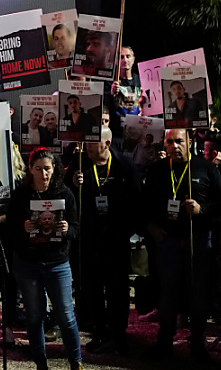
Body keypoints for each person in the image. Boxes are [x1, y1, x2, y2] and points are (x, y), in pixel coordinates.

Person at [142, 129, 221, 362]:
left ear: (189, 142)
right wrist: (150, 227)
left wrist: (202, 210)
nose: (174, 146)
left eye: (179, 141)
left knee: (198, 293)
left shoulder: (206, 168)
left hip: (198, 240)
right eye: (169, 142)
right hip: (167, 240)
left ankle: (197, 344)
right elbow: (144, 203)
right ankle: (164, 343)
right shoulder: (158, 170)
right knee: (167, 293)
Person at [7, 148, 81, 370]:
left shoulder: (65, 193)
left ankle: (76, 361)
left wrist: (67, 229)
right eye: (38, 169)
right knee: (34, 315)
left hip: (57, 262)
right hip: (28, 264)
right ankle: (40, 362)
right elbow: (10, 230)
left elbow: (76, 228)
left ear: (54, 168)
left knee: (66, 316)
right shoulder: (21, 195)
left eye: (47, 168)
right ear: (30, 169)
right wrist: (23, 228)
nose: (43, 174)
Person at [71, 127, 139, 354]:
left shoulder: (124, 166)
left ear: (107, 144)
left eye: (93, 142)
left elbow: (136, 198)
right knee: (92, 288)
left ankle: (119, 334)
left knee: (118, 290)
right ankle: (99, 332)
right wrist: (74, 183)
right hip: (89, 239)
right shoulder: (80, 164)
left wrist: (127, 231)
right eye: (87, 141)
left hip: (116, 238)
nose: (88, 146)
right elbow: (66, 194)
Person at [114, 46, 143, 115]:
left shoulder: (141, 80)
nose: (125, 60)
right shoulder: (112, 82)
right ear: (116, 61)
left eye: (128, 56)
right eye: (121, 57)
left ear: (133, 59)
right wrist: (112, 93)